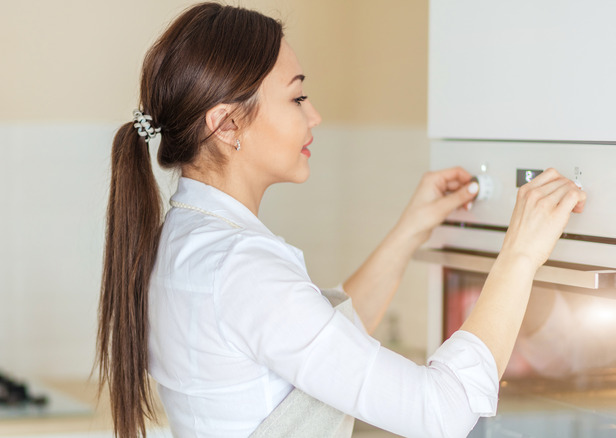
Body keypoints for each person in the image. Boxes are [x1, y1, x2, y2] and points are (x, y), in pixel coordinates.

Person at [94, 3, 586, 438]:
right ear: (228, 124)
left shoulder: (186, 242)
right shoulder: (240, 267)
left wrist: (414, 226)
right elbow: (441, 411)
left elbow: (323, 341)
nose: (315, 116)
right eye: (296, 97)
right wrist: (520, 256)